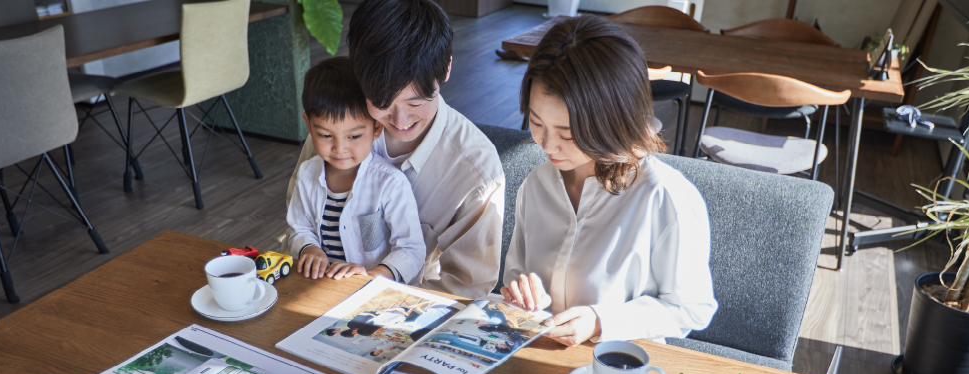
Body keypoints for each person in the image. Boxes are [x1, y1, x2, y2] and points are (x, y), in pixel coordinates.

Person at [500, 16, 718, 347]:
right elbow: (515, 275)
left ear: (613, 122)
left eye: (567, 134)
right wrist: (522, 293)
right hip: (537, 353)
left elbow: (693, 309)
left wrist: (602, 322)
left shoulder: (665, 196)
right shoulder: (537, 184)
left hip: (618, 366)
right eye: (536, 122)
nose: (547, 145)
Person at [286, 0, 505, 299]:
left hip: (407, 305)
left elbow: (465, 288)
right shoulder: (338, 131)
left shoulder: (477, 170)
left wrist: (377, 294)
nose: (400, 122)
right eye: (382, 102)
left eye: (416, 103)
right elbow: (299, 220)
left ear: (446, 70)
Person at [287, 57, 425, 284]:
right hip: (319, 286)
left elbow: (411, 249)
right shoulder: (306, 174)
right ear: (309, 126)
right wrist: (309, 248)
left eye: (354, 136)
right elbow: (299, 228)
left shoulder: (390, 183)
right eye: (325, 135)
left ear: (376, 128)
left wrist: (372, 276)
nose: (340, 148)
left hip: (371, 291)